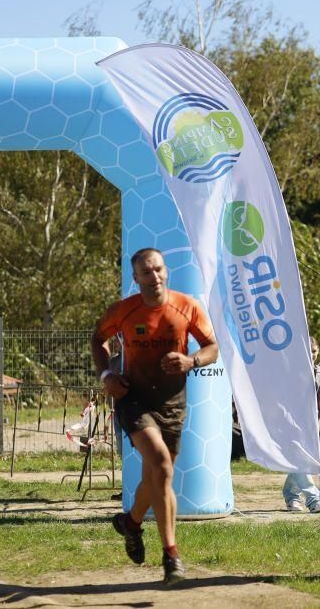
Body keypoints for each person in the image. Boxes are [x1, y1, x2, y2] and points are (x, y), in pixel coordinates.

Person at [90, 247, 219, 585]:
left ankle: (131, 523)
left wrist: (191, 361)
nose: (154, 276)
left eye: (158, 269)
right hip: (133, 398)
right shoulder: (123, 310)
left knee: (158, 476)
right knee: (160, 464)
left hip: (172, 403)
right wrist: (107, 376)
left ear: (166, 271)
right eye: (146, 272)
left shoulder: (187, 306)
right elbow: (98, 339)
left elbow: (212, 347)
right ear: (136, 278)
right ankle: (171, 555)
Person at [282, 336, 320, 513]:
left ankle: (291, 496)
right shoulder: (292, 369)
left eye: (314, 351)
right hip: (292, 422)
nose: (312, 355)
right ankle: (314, 500)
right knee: (301, 460)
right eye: (308, 352)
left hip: (310, 423)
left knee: (300, 461)